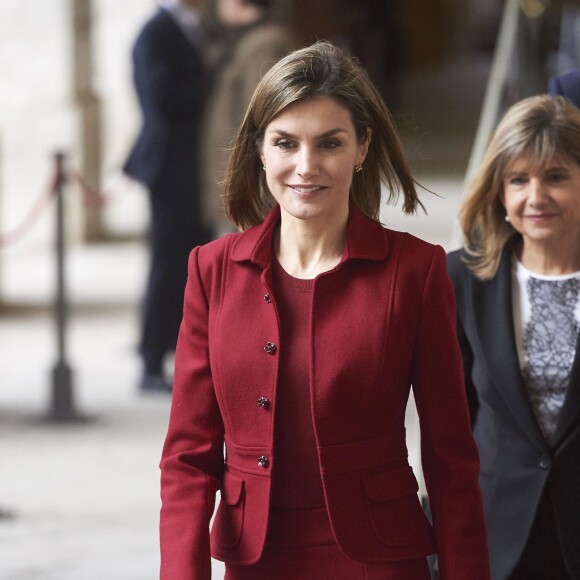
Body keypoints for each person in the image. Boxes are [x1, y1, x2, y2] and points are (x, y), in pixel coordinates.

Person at [160, 41, 490, 579]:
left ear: (362, 147)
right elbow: (186, 459)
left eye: (329, 143)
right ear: (260, 150)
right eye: (285, 143)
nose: (305, 166)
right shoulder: (211, 269)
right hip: (256, 560)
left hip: (379, 561)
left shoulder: (415, 270)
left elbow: (451, 459)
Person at [447, 94, 580, 579]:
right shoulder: (461, 281)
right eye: (519, 179)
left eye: (557, 177)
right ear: (498, 190)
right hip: (495, 541)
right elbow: (451, 430)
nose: (535, 197)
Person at [123, 0, 213, 394]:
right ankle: (150, 359)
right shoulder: (156, 32)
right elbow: (162, 98)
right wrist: (214, 82)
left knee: (190, 262)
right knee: (168, 262)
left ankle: (182, 350)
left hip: (189, 166)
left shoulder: (189, 26)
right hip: (171, 165)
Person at [201, 0, 297, 236]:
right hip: (237, 185)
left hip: (249, 191)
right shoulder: (248, 39)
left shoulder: (265, 44)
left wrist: (257, 190)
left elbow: (264, 119)